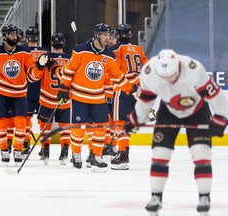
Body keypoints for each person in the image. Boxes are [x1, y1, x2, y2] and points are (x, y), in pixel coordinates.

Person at [125, 49, 228, 215]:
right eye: (164, 76)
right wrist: (136, 118)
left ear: (178, 67)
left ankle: (204, 197)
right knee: (160, 154)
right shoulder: (149, 72)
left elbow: (216, 96)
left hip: (198, 111)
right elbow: (145, 101)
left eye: (172, 75)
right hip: (168, 112)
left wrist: (221, 118)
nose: (168, 80)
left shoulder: (194, 69)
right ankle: (156, 197)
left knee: (201, 154)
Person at [56, 23, 133, 172]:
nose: (108, 38)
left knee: (101, 127)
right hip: (79, 96)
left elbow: (117, 76)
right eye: (105, 34)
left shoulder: (109, 55)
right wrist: (64, 87)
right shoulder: (80, 50)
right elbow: (69, 70)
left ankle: (97, 156)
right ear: (97, 34)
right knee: (78, 128)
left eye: (109, 35)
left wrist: (130, 88)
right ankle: (76, 154)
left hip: (98, 97)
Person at [0, 25, 45, 165]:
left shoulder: (25, 52)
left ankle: (18, 150)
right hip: (1, 93)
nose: (15, 37)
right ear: (4, 36)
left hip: (20, 93)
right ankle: (4, 150)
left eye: (16, 34)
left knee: (21, 123)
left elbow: (32, 76)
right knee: (1, 123)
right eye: (11, 34)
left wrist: (39, 66)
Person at [110, 23, 148, 170]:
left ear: (118, 35)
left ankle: (122, 154)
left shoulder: (116, 49)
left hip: (123, 88)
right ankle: (124, 153)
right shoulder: (139, 49)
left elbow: (115, 71)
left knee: (120, 123)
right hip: (137, 90)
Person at [36, 32, 71, 165]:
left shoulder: (46, 58)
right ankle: (65, 151)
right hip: (65, 99)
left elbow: (37, 76)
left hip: (47, 98)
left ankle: (45, 151)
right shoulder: (70, 58)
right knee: (65, 127)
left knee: (45, 126)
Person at [24, 26, 49, 157]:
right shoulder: (45, 52)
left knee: (26, 119)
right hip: (42, 90)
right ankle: (45, 147)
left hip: (27, 89)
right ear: (38, 38)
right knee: (43, 120)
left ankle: (25, 144)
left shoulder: (23, 51)